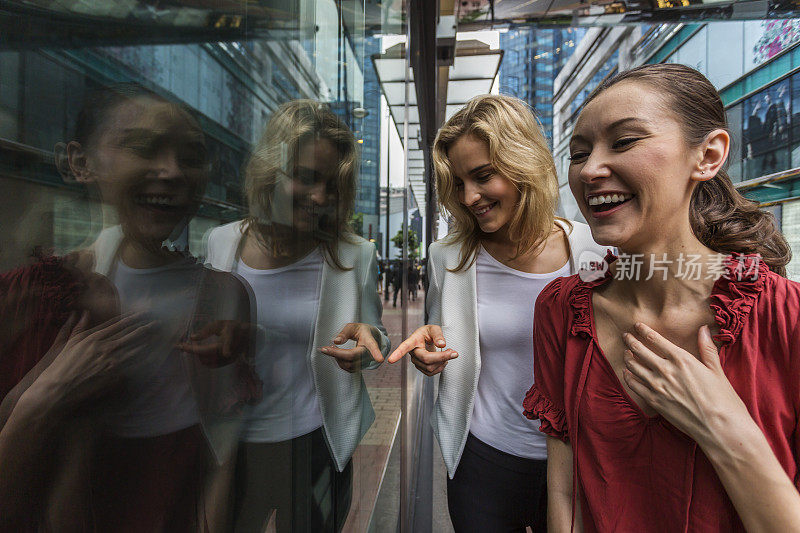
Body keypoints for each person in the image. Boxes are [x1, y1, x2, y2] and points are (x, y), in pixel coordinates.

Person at [525, 63, 800, 532]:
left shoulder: (786, 317)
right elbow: (565, 491)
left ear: (708, 155)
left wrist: (721, 425)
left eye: (625, 141)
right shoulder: (560, 309)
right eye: (578, 153)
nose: (590, 169)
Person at [0, 83, 253, 531]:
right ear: (80, 163)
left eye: (191, 156)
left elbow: (222, 457)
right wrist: (44, 399)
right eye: (144, 147)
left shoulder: (225, 297)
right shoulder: (28, 296)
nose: (172, 172)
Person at [388, 94, 605, 531]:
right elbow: (440, 336)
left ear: (522, 161)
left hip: (582, 460)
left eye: (483, 176)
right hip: (483, 459)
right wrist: (431, 357)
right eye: (458, 183)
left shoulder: (595, 249)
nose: (469, 197)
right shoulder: (447, 257)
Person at [204, 99, 390, 532]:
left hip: (317, 446)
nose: (320, 197)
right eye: (306, 178)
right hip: (234, 445)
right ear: (272, 170)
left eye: (331, 185)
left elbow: (375, 332)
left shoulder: (354, 255)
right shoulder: (221, 244)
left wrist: (369, 344)